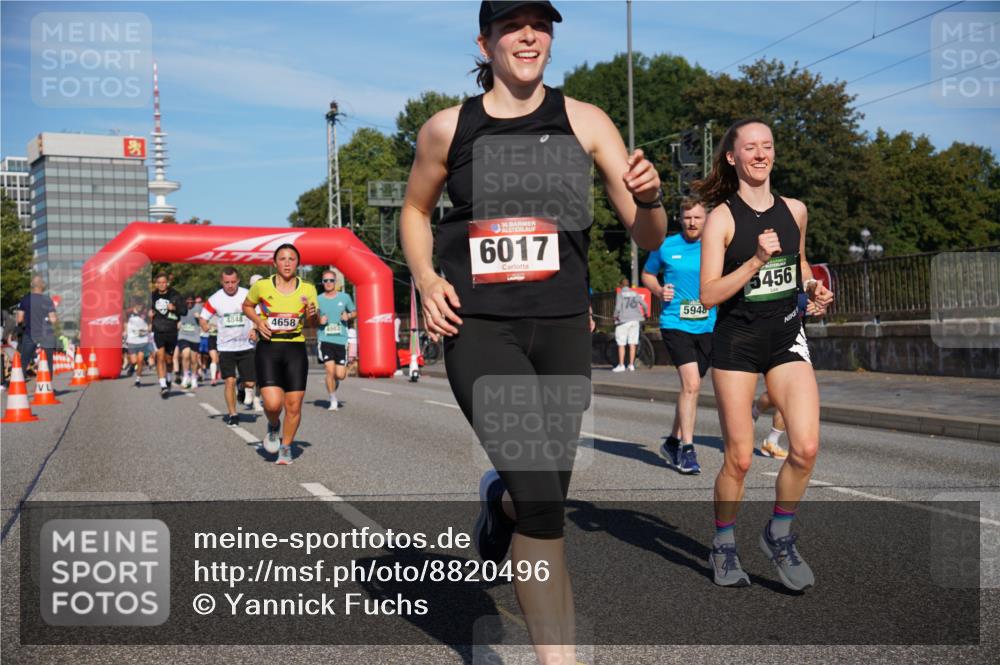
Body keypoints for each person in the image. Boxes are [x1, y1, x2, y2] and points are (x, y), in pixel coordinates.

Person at [399, 2, 666, 660]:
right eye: (513, 25)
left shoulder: (585, 120)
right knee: (546, 509)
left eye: (539, 25)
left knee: (539, 494)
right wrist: (428, 279)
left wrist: (654, 196)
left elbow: (647, 234)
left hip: (562, 329)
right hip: (482, 330)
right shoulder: (447, 128)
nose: (528, 36)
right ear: (485, 40)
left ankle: (500, 504)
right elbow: (413, 209)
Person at [696, 119, 833, 590]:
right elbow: (709, 294)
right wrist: (753, 261)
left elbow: (797, 266)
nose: (760, 154)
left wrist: (812, 288)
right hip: (737, 342)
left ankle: (779, 534)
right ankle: (724, 542)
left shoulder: (794, 210)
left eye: (767, 146)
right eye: (750, 148)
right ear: (732, 157)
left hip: (785, 337)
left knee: (807, 447)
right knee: (738, 459)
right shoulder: (722, 218)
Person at [641, 196, 715, 475]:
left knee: (691, 390)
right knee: (692, 385)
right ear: (680, 219)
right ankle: (686, 449)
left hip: (708, 325)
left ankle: (672, 441)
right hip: (675, 323)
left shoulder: (715, 245)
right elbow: (647, 275)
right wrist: (659, 290)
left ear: (706, 218)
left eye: (697, 217)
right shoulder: (666, 245)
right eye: (687, 218)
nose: (692, 222)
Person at [242, 245, 318, 465]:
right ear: (274, 263)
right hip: (269, 347)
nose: (287, 263)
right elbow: (247, 305)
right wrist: (258, 321)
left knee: (294, 404)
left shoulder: (308, 289)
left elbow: (312, 324)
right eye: (282, 259)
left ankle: (285, 448)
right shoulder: (262, 286)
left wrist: (313, 315)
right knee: (274, 404)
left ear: (298, 263)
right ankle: (274, 425)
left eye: (291, 259)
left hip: (295, 348)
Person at [202, 268, 257, 427]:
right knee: (228, 382)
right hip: (226, 347)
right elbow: (204, 317)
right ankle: (233, 414)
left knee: (250, 384)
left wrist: (255, 329)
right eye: (227, 282)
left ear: (238, 281)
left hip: (246, 344)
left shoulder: (248, 294)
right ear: (222, 282)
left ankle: (243, 386)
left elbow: (258, 315)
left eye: (233, 282)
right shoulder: (215, 299)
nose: (230, 285)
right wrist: (204, 325)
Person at [316, 269, 356, 411]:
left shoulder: (344, 297)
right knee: (329, 370)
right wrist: (319, 319)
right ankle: (333, 399)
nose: (328, 283)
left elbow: (355, 311)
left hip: (341, 340)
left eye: (331, 280)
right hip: (325, 339)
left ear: (335, 282)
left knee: (340, 375)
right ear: (322, 283)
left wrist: (349, 316)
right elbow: (311, 319)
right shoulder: (318, 299)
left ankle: (334, 383)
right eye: (325, 281)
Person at [149, 272, 187, 398]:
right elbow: (145, 310)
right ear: (156, 284)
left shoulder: (175, 294)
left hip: (171, 330)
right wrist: (148, 314)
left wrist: (174, 308)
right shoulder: (152, 296)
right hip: (158, 329)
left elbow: (184, 311)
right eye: (159, 283)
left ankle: (169, 378)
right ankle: (163, 385)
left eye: (163, 282)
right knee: (160, 357)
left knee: (169, 360)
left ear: (167, 283)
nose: (161, 285)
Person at [17, 275, 58, 374]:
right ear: (42, 286)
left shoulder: (25, 299)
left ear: (32, 285)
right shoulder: (47, 300)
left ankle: (18, 383)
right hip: (46, 334)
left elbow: (19, 319)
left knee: (24, 360)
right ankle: (47, 387)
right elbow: (53, 320)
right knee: (48, 362)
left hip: (30, 333)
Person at [611, 277, 650, 372]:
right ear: (628, 285)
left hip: (623, 321)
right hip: (635, 321)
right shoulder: (635, 293)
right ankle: (631, 365)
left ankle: (621, 365)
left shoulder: (620, 294)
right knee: (632, 343)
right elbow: (645, 305)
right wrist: (645, 313)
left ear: (621, 285)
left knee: (621, 344)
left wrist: (615, 316)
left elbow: (618, 308)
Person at [177, 295, 203, 389]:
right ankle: (185, 376)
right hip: (183, 335)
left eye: (191, 302)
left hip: (195, 336)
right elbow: (175, 317)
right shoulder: (180, 308)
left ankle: (193, 377)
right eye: (187, 302)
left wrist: (199, 317)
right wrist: (178, 323)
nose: (189, 304)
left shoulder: (199, 308)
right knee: (185, 354)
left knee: (194, 359)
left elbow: (204, 321)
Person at [124, 300, 150, 386]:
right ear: (135, 305)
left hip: (143, 340)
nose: (140, 307)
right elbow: (125, 323)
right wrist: (125, 332)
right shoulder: (128, 313)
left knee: (140, 360)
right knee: (134, 360)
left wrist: (147, 330)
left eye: (141, 305)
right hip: (132, 340)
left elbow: (150, 325)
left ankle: (138, 379)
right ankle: (132, 366)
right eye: (138, 305)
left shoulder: (146, 314)